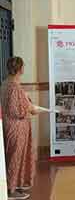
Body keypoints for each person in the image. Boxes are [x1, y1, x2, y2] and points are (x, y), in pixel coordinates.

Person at [0, 57, 38, 199]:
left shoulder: (6, 84)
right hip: (16, 128)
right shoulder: (14, 86)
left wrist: (27, 104)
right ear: (20, 69)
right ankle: (11, 190)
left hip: (10, 126)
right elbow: (17, 110)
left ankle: (15, 185)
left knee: (13, 157)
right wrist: (30, 109)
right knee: (14, 158)